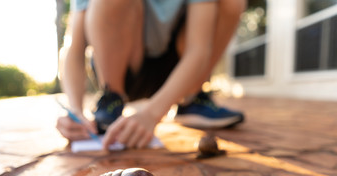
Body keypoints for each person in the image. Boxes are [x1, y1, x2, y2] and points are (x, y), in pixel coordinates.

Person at [56, 0, 246, 150]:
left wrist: (151, 114)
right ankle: (112, 98)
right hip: (122, 66)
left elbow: (199, 50)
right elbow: (74, 48)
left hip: (177, 70)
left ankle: (190, 99)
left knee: (232, 2)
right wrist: (75, 111)